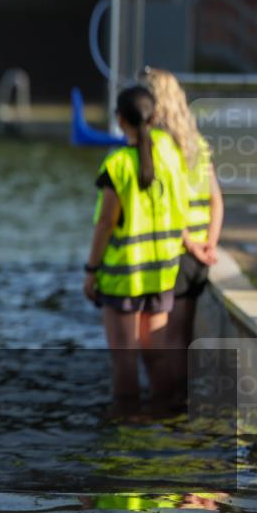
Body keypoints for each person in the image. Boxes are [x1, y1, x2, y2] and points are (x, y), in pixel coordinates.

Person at [82, 85, 198, 415]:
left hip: (123, 277)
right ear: (156, 116)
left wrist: (91, 272)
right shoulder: (172, 154)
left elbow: (106, 223)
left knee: (124, 359)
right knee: (156, 355)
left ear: (120, 120)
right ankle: (166, 417)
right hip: (161, 272)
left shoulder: (117, 165)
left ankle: (126, 428)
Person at [143, 67, 223, 399]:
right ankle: (182, 407)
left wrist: (189, 242)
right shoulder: (196, 144)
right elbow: (216, 201)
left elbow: (165, 205)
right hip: (199, 257)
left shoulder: (159, 146)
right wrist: (210, 244)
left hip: (176, 251)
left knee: (165, 342)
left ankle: (168, 412)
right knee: (185, 339)